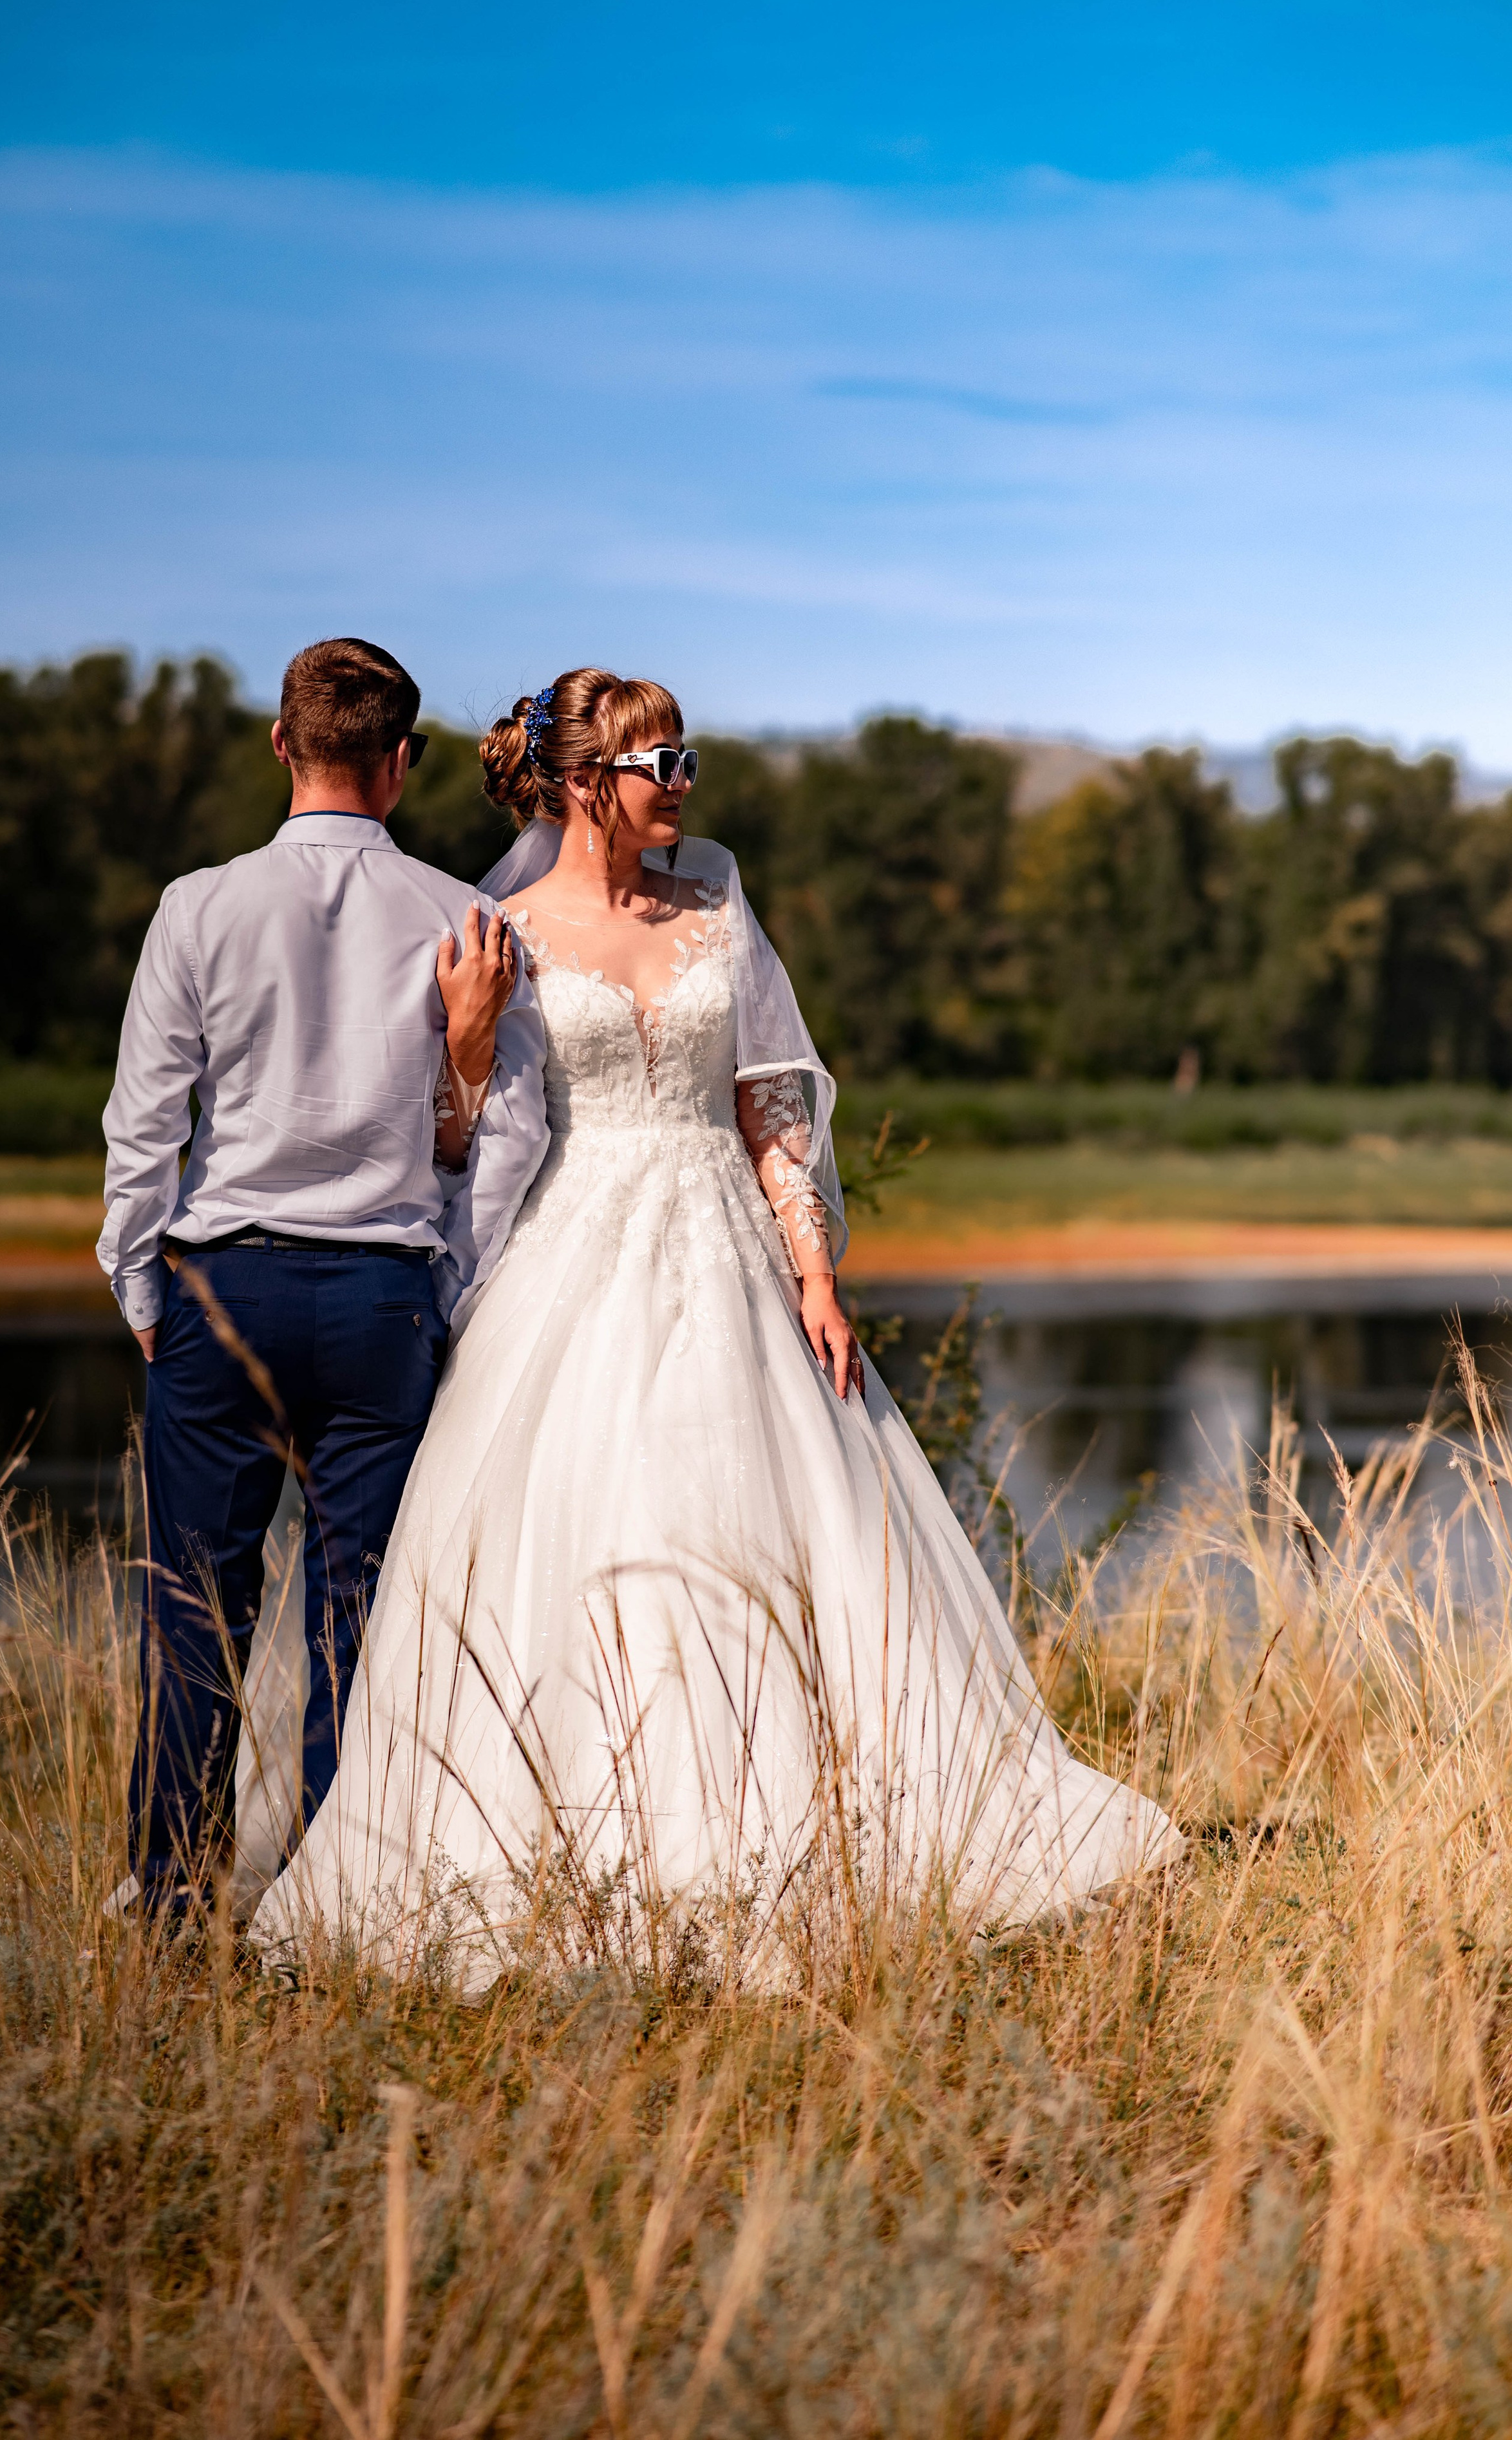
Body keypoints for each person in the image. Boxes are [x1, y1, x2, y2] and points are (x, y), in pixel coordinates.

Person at [252, 668, 1180, 1978]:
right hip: (565, 1267)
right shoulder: (497, 927)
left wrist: (813, 1272)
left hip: (726, 1259)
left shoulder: (714, 915)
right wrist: (463, 1044)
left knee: (750, 1518)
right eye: (660, 764)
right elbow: (454, 1146)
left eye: (686, 761)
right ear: (585, 784)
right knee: (578, 1542)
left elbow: (769, 1111)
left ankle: (781, 1834)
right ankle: (584, 1852)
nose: (684, 786)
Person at [97, 637, 547, 1920]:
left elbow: (144, 1129)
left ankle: (175, 1893)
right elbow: (503, 1132)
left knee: (195, 1609)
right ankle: (333, 1908)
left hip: (221, 1287)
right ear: (400, 765)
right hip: (382, 1302)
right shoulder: (466, 918)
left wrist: (141, 1289)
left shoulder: (197, 906)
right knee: (357, 1616)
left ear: (281, 747)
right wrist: (446, 1292)